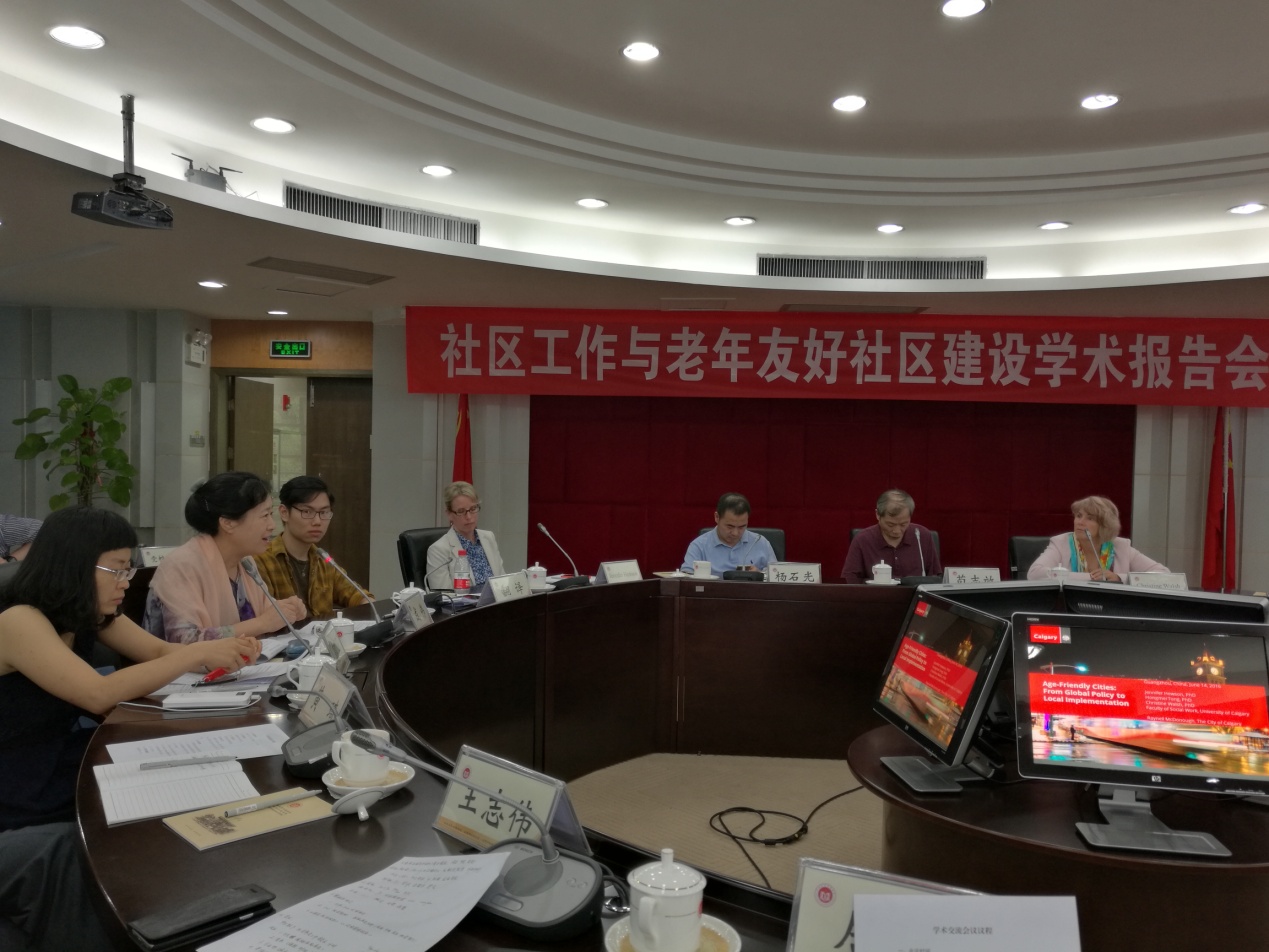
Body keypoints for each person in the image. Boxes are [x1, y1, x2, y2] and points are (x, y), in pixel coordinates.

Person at [0, 506, 258, 950]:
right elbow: (97, 695)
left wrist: (220, 650)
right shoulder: (18, 620)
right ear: (75, 565)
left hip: (59, 760)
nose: (126, 582)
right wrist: (195, 654)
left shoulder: (87, 612)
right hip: (19, 785)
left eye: (129, 569)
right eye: (117, 569)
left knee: (182, 778)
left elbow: (157, 653)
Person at [144, 471, 306, 643]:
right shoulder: (181, 566)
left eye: (270, 515)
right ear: (228, 523)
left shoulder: (245, 562)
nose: (272, 525)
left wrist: (286, 609)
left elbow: (266, 611)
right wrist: (262, 624)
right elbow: (186, 641)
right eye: (265, 515)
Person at [253, 475, 370, 616]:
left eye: (324, 512)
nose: (317, 521)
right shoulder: (261, 560)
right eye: (307, 512)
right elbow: (263, 617)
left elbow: (357, 595)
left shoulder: (324, 561)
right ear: (284, 513)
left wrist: (369, 605)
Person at [1027, 495, 1168, 581]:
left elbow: (1163, 574)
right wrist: (1091, 578)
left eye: (1090, 518)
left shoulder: (1121, 547)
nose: (1080, 522)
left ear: (1104, 525)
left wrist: (1119, 577)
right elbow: (1034, 573)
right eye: (1078, 516)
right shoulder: (1061, 543)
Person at [841, 489, 942, 583]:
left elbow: (936, 579)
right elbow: (849, 581)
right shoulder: (862, 540)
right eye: (890, 524)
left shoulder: (922, 536)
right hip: (877, 595)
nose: (897, 531)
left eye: (903, 524)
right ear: (878, 515)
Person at [426, 481, 505, 590]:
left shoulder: (488, 537)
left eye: (473, 509)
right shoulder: (438, 550)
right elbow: (443, 596)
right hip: (464, 601)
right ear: (449, 514)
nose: (469, 517)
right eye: (461, 511)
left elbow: (502, 580)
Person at [680, 493, 776, 575]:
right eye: (730, 526)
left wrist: (760, 576)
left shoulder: (760, 543)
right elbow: (686, 580)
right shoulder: (699, 546)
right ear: (717, 517)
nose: (735, 533)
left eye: (742, 527)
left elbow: (777, 578)